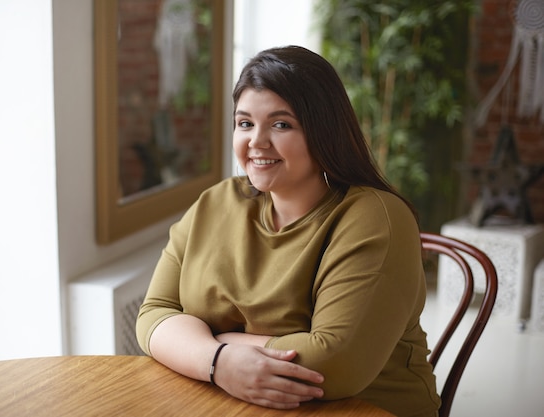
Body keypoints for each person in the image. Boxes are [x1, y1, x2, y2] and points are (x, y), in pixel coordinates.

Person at [136, 45, 441, 417]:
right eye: (245, 123)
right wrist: (219, 361)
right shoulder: (215, 203)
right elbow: (153, 315)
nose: (257, 142)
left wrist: (207, 345)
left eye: (281, 124)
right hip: (234, 403)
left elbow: (333, 364)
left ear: (323, 132)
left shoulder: (375, 218)